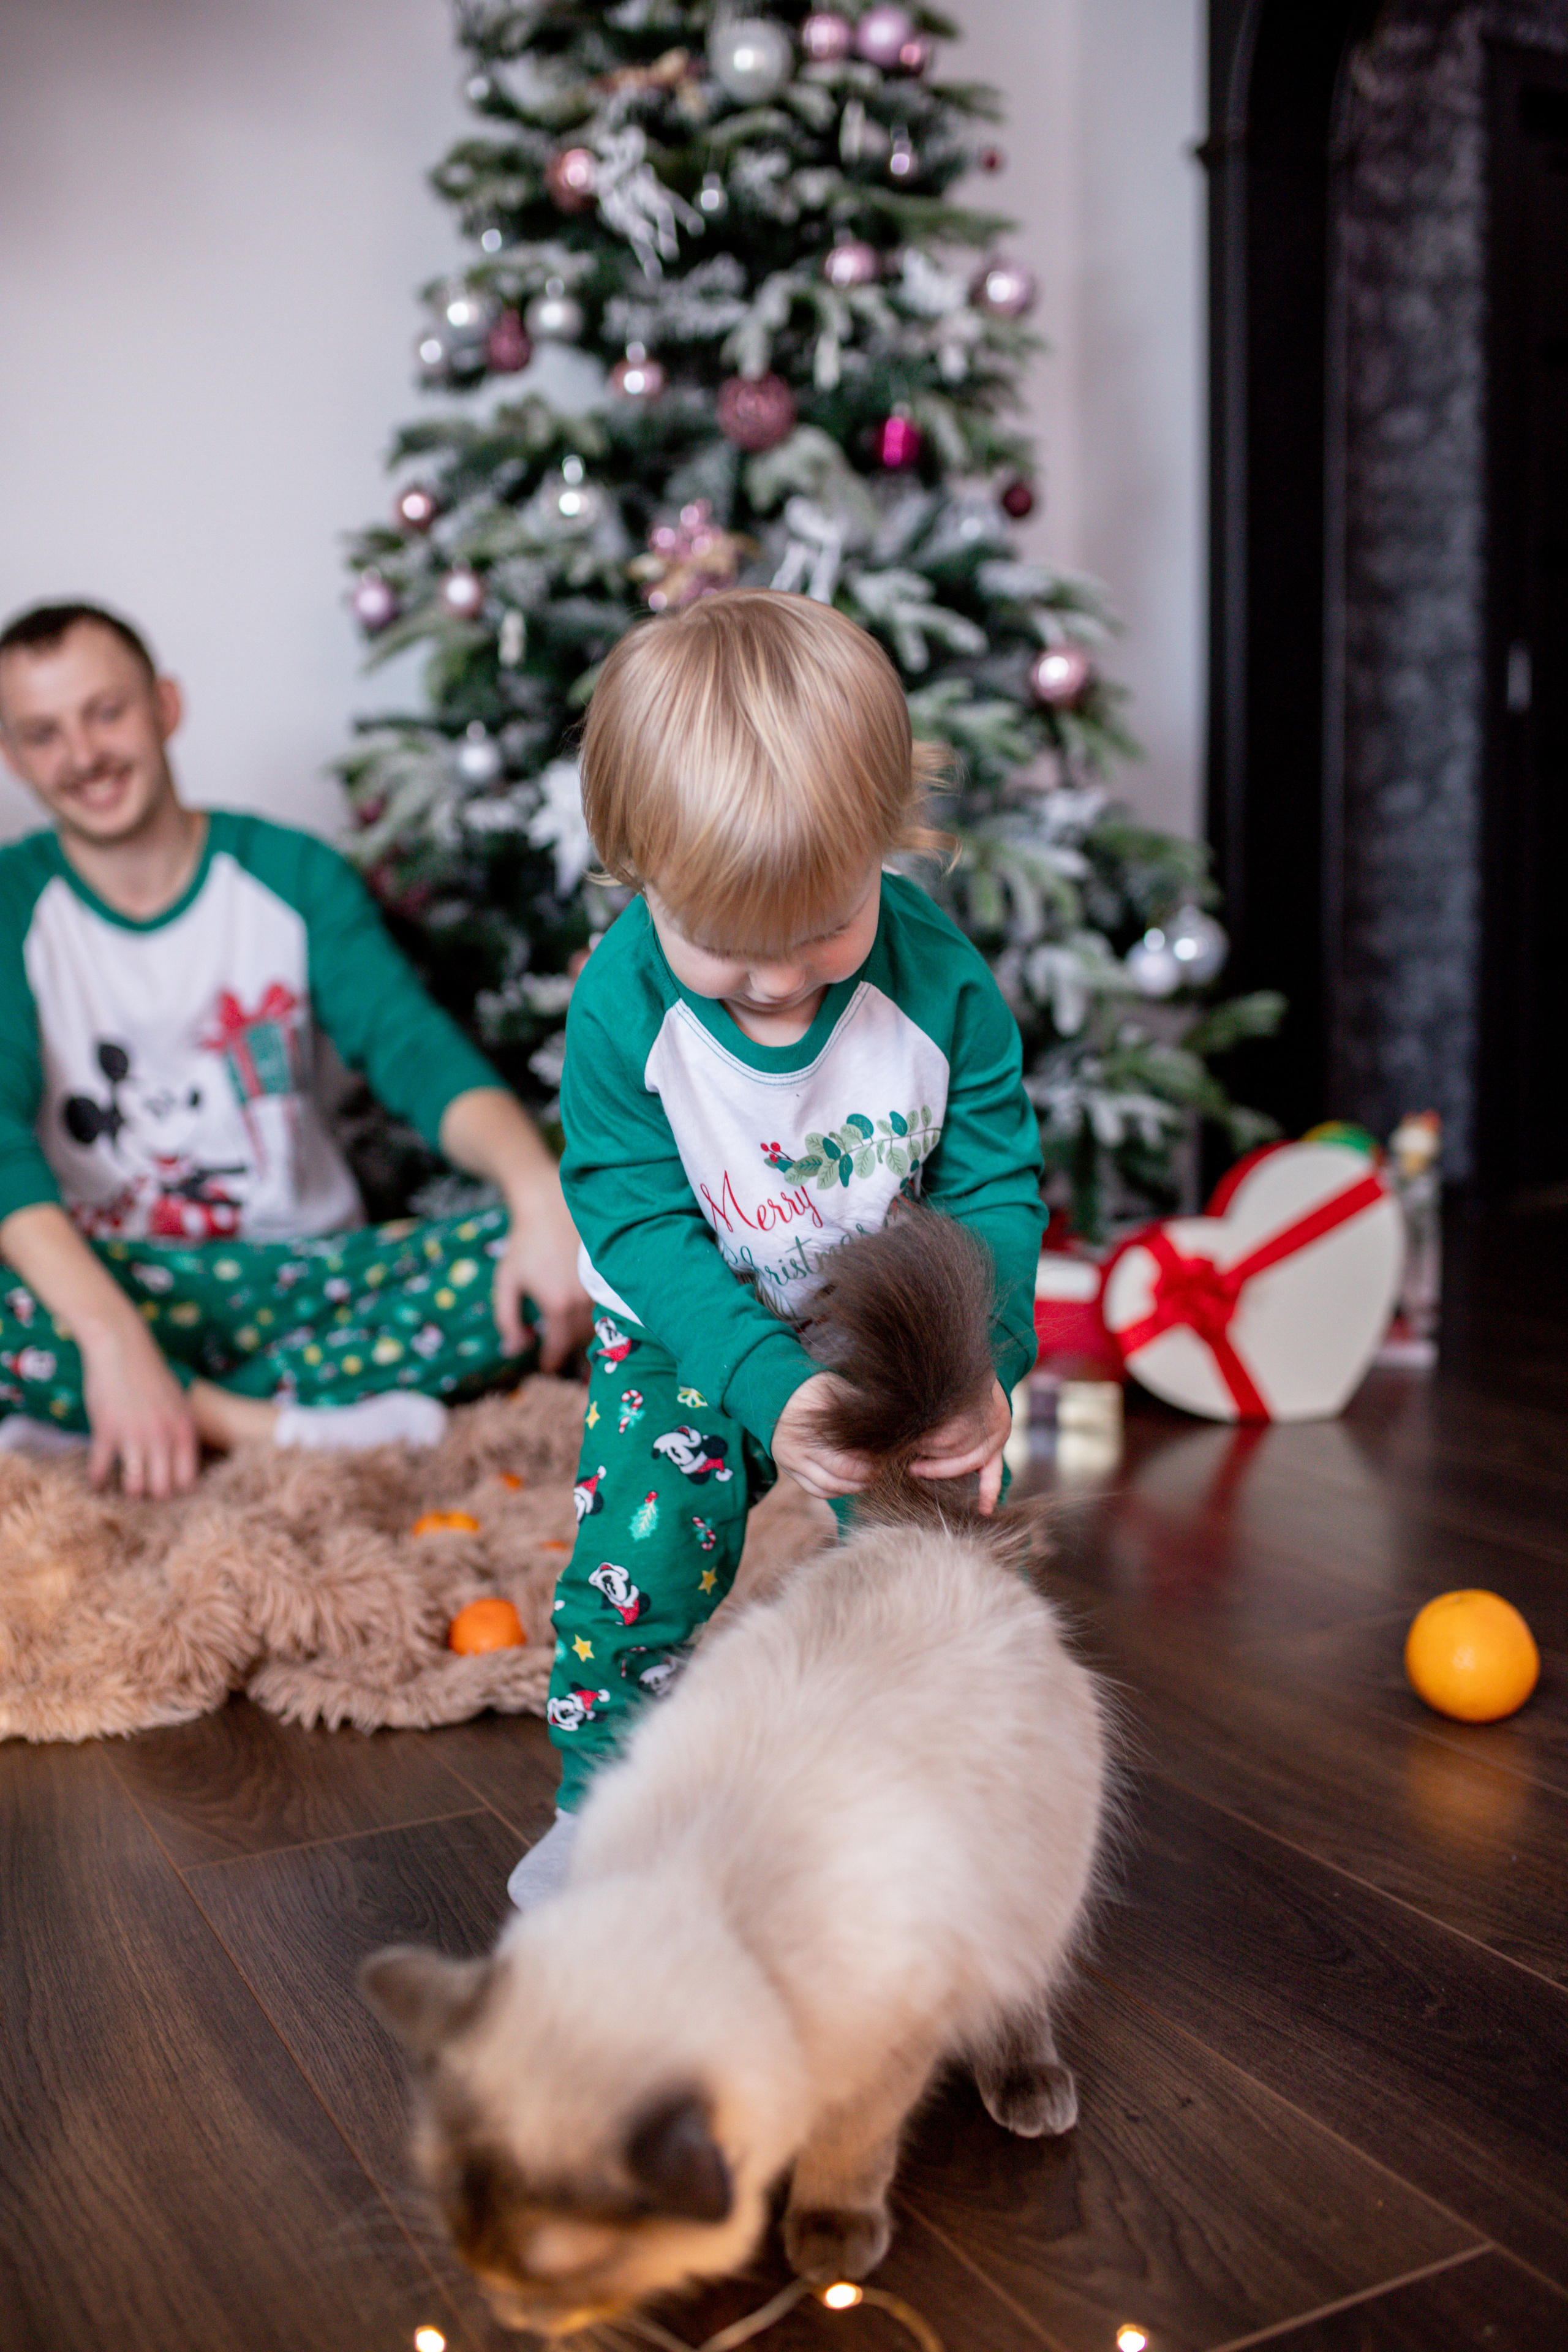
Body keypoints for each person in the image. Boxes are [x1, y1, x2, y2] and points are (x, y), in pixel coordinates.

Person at [508, 589, 1044, 1906]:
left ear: (883, 841)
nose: (774, 986)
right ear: (638, 880)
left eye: (819, 936)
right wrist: (766, 1389)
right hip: (687, 1323)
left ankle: (918, 1796)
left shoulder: (942, 988)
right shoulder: (619, 1007)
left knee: (927, 1568)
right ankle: (607, 1801)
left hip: (883, 1325)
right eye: (724, 949)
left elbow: (994, 1185)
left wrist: (979, 1366)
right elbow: (633, 1220)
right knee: (640, 1563)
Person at [0, 601, 592, 1497]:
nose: (83, 755)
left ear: (166, 706)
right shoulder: (14, 904)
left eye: (106, 712)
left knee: (562, 1247)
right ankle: (270, 1426)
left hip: (312, 1271)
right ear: (13, 757)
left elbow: (413, 1052)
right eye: (43, 734)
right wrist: (112, 1337)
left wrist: (537, 1193)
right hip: (112, 1283)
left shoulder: (290, 871)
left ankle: (117, 1408)